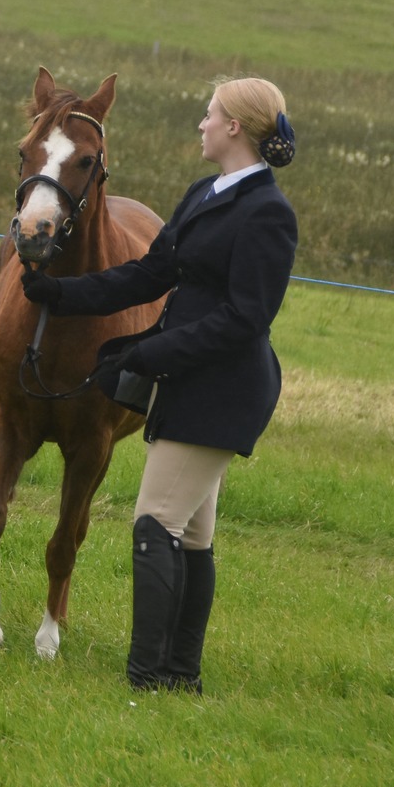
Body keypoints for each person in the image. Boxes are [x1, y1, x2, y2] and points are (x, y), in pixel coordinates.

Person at [21, 76, 298, 692]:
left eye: (210, 114)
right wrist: (61, 294)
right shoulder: (206, 193)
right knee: (193, 535)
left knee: (155, 523)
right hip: (190, 380)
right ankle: (179, 677)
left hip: (222, 390)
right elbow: (148, 275)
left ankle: (148, 678)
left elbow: (245, 319)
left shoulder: (269, 214)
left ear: (234, 128)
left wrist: (149, 353)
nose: (202, 123)